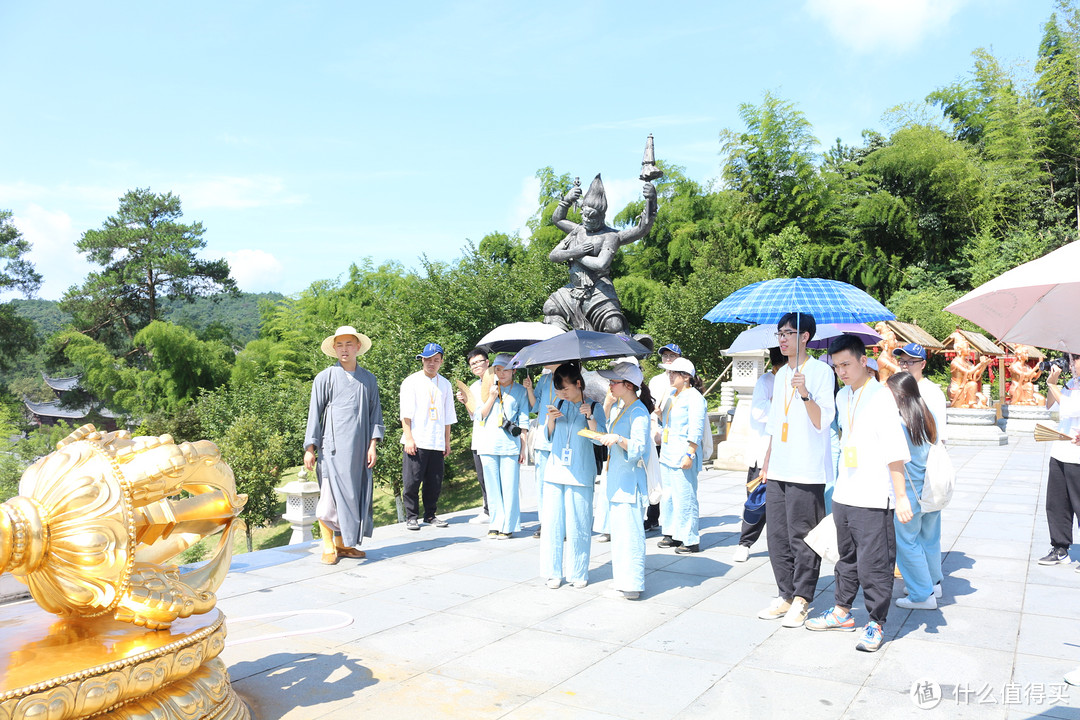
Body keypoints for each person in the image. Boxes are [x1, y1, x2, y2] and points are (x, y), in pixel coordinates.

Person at [804, 334, 910, 653]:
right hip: (846, 491)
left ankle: (875, 622)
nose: (842, 372)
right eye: (837, 367)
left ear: (865, 361)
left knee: (874, 563)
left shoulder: (882, 397)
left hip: (875, 494)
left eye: (847, 364)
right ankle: (842, 611)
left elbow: (894, 451)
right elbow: (834, 432)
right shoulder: (843, 397)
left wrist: (901, 496)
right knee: (845, 558)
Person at [758, 312, 836, 628]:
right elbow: (776, 425)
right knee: (776, 536)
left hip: (806, 469)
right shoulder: (778, 375)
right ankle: (786, 594)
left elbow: (822, 421)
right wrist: (766, 462)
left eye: (788, 333)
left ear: (805, 336)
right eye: (779, 333)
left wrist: (805, 394)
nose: (782, 338)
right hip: (779, 467)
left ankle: (803, 599)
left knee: (803, 537)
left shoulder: (820, 372)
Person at [304, 325, 385, 565]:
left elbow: (375, 415)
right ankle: (328, 545)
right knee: (330, 497)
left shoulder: (369, 379)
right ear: (334, 349)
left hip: (359, 450)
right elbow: (314, 414)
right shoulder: (325, 377)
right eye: (339, 345)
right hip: (332, 449)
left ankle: (343, 545)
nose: (344, 349)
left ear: (358, 346)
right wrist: (310, 448)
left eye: (349, 344)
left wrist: (373, 446)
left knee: (352, 497)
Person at [543, 174, 657, 333]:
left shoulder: (610, 236)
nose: (587, 220)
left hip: (598, 289)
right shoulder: (577, 231)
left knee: (613, 325)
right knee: (551, 307)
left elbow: (640, 230)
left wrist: (651, 201)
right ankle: (559, 345)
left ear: (602, 216)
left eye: (592, 217)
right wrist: (567, 200)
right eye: (584, 215)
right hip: (573, 289)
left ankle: (622, 353)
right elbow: (557, 223)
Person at [540, 363, 606, 588]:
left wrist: (590, 419)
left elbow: (600, 439)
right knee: (552, 524)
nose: (562, 394)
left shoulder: (595, 406)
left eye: (565, 389)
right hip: (555, 472)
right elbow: (547, 437)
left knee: (579, 524)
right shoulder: (558, 404)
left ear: (578, 384)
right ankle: (553, 573)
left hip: (580, 473)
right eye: (559, 390)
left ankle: (579, 573)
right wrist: (550, 420)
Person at [886, 371, 943, 609]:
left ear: (898, 395)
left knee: (907, 542)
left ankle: (922, 594)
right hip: (932, 488)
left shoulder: (899, 423)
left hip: (910, 492)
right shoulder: (927, 416)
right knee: (929, 538)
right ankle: (933, 583)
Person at [598, 361, 655, 599]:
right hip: (618, 480)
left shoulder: (639, 411)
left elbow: (639, 447)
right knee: (620, 533)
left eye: (614, 381)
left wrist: (619, 438)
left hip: (630, 483)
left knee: (630, 534)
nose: (610, 385)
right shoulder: (622, 407)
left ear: (629, 385)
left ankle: (632, 584)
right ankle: (622, 579)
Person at [734, 346, 785, 563]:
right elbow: (757, 412)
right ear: (775, 366)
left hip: (784, 454)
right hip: (762, 451)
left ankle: (781, 548)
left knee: (780, 507)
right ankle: (745, 543)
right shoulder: (765, 382)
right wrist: (777, 400)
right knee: (756, 502)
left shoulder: (796, 380)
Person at [400, 342, 457, 531]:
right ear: (422, 360)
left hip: (437, 440)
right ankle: (411, 516)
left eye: (436, 360)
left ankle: (430, 514)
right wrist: (409, 438)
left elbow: (448, 416)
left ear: (441, 361)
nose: (431, 363)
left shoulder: (445, 384)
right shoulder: (411, 381)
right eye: (428, 359)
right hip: (417, 438)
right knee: (412, 480)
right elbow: (405, 414)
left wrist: (447, 441)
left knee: (434, 481)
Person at [656, 356, 707, 554]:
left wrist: (690, 453)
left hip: (683, 453)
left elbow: (696, 428)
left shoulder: (695, 398)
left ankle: (689, 538)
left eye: (673, 373)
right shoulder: (671, 395)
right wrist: (660, 414)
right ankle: (671, 532)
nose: (669, 376)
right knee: (668, 496)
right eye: (669, 372)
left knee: (685, 496)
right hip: (668, 452)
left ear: (686, 376)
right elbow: (667, 424)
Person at [476, 353, 530, 539]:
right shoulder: (487, 387)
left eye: (506, 369)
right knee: (492, 487)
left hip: (510, 445)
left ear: (514, 370)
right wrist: (491, 397)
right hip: (488, 444)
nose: (502, 373)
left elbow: (524, 423)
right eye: (498, 369)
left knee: (509, 487)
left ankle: (509, 525)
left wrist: (523, 449)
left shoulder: (520, 391)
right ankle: (495, 523)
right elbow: (479, 415)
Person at [1038, 353, 1080, 565]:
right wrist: (1053, 383)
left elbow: (1072, 407)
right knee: (1057, 503)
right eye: (1070, 359)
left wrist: (1051, 383)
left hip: (1078, 455)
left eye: (1075, 359)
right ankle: (1060, 547)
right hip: (1061, 451)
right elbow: (1051, 405)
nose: (1071, 365)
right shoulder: (1072, 383)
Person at [645, 343, 682, 532]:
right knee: (655, 475)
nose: (667, 359)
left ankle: (675, 518)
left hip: (675, 435)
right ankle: (652, 516)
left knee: (672, 479)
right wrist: (654, 429)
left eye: (672, 355)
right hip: (656, 433)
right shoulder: (656, 381)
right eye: (665, 355)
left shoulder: (683, 382)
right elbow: (650, 408)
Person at [524, 363, 561, 538]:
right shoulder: (545, 379)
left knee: (560, 482)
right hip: (542, 438)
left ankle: (560, 522)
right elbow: (536, 406)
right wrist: (530, 389)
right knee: (542, 483)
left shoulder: (570, 377)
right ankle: (544, 521)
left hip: (561, 437)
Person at [457, 348, 491, 524]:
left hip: (495, 438)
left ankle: (499, 510)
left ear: (487, 362)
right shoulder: (473, 387)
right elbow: (473, 415)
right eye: (472, 364)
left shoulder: (498, 382)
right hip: (479, 437)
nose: (476, 365)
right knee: (482, 476)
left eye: (479, 361)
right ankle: (487, 510)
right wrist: (464, 402)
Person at [893, 343, 948, 443]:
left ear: (922, 364)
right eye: (902, 361)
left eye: (910, 362)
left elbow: (939, 433)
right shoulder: (895, 389)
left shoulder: (932, 392)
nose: (905, 366)